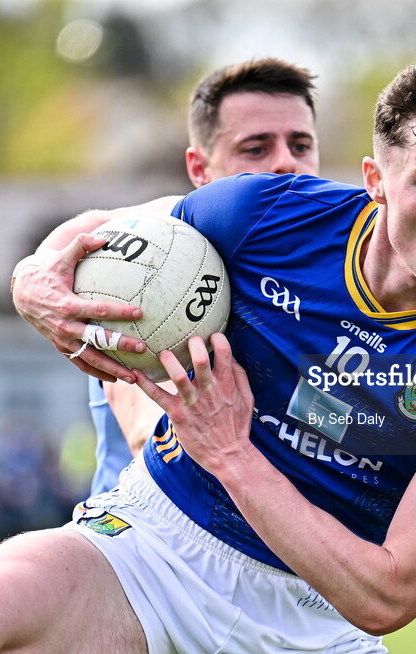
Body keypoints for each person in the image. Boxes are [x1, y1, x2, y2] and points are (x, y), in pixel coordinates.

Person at [0, 59, 416, 654]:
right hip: (157, 547)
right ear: (375, 181)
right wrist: (31, 282)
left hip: (320, 618)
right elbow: (97, 235)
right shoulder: (266, 215)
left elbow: (387, 595)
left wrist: (230, 454)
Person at [87, 58, 321, 495]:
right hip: (145, 547)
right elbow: (150, 434)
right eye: (256, 148)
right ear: (199, 169)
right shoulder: (145, 273)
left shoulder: (329, 282)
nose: (287, 163)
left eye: (301, 145)